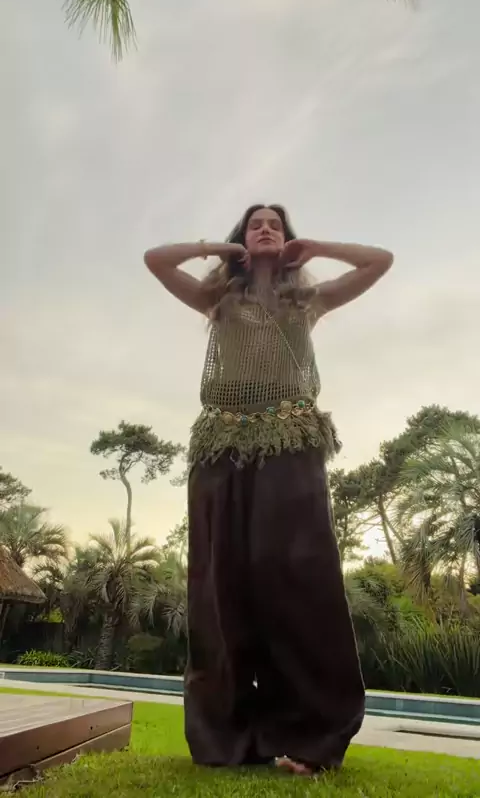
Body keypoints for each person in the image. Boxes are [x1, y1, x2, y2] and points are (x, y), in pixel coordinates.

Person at [144, 204, 393, 776]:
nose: (264, 229)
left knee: (297, 579)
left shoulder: (307, 301)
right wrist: (218, 251)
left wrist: (317, 249)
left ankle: (312, 737)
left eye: (275, 224)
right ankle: (228, 738)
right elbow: (156, 260)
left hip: (291, 445)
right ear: (242, 237)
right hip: (220, 446)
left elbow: (380, 261)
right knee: (219, 584)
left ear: (287, 241)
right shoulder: (217, 300)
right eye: (255, 223)